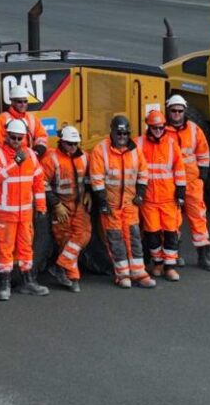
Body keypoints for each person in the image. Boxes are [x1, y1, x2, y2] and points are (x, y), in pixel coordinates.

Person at [0, 116, 48, 300]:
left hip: (25, 214)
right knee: (4, 250)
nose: (16, 141)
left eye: (19, 138)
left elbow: (38, 183)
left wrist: (41, 208)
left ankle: (28, 282)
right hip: (5, 214)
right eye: (13, 137)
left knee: (26, 249)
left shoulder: (31, 156)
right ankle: (4, 285)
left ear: (25, 139)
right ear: (6, 137)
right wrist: (15, 164)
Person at [89, 113, 152, 288]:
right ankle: (122, 274)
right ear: (112, 132)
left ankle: (139, 273)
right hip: (111, 205)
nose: (122, 138)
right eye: (119, 134)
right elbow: (96, 179)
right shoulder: (100, 150)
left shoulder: (135, 150)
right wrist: (102, 202)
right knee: (115, 240)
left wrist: (140, 193)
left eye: (125, 134)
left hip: (130, 204)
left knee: (134, 237)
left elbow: (143, 172)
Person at [166, 93, 210, 270]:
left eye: (180, 111)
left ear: (184, 111)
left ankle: (204, 256)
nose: (177, 114)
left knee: (199, 219)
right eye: (173, 111)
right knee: (173, 220)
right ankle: (175, 254)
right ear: (169, 112)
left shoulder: (194, 130)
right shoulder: (162, 132)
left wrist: (202, 177)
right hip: (171, 184)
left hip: (192, 183)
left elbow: (204, 154)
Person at [42, 126, 91, 289]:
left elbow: (91, 177)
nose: (73, 147)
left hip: (78, 205)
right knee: (65, 240)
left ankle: (60, 266)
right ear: (62, 142)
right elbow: (42, 184)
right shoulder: (51, 159)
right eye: (70, 144)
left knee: (83, 235)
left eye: (76, 144)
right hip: (61, 205)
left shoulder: (84, 157)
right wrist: (56, 205)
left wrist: (89, 193)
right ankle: (72, 278)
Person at [139, 102, 184, 281]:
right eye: (154, 128)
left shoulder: (172, 144)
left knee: (171, 232)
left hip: (168, 198)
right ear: (148, 127)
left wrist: (180, 192)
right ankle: (157, 263)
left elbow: (179, 169)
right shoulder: (139, 143)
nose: (158, 131)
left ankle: (170, 266)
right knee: (152, 233)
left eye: (160, 127)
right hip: (149, 199)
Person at [0, 79, 35, 153]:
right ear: (12, 102)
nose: (23, 104)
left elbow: (42, 137)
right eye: (19, 102)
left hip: (27, 157)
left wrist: (38, 150)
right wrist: (8, 159)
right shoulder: (0, 119)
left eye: (25, 101)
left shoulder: (31, 118)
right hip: (8, 159)